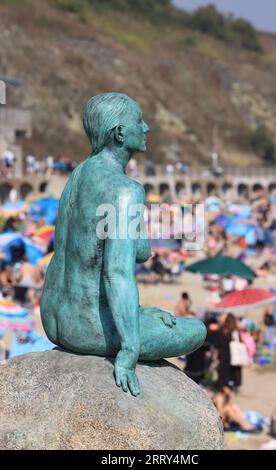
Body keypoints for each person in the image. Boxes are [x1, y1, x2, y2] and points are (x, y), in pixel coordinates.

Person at [40, 92, 206, 397]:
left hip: (53, 319)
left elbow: (140, 251)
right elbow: (116, 274)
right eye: (138, 120)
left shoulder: (78, 175)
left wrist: (140, 311)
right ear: (118, 133)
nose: (146, 128)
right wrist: (130, 350)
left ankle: (135, 319)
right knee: (196, 330)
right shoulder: (124, 190)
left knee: (151, 315)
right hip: (88, 329)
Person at [214, 314, 243, 391]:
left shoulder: (221, 330)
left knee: (223, 372)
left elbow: (217, 344)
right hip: (233, 355)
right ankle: (232, 385)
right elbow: (240, 342)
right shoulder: (235, 332)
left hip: (223, 355)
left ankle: (222, 385)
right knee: (233, 372)